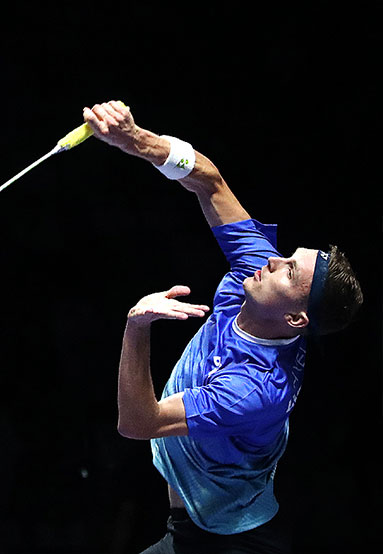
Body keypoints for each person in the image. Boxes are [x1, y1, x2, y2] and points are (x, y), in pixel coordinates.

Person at [82, 100, 364, 553]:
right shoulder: (260, 277)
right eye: (287, 256)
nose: (273, 260)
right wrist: (135, 140)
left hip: (226, 541)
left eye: (289, 270)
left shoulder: (254, 387)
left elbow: (137, 422)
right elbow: (209, 181)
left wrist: (137, 325)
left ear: (296, 319)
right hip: (204, 518)